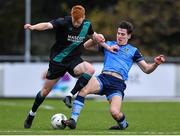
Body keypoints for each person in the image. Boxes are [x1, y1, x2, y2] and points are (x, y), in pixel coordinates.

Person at [23, 5, 116, 129]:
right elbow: (47, 25)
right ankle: (31, 114)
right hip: (58, 61)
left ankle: (69, 95)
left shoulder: (87, 25)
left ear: (83, 17)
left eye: (79, 21)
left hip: (74, 60)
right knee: (45, 91)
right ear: (71, 16)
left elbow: (94, 37)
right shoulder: (63, 22)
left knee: (90, 69)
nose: (77, 24)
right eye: (74, 21)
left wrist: (108, 47)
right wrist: (33, 27)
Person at [62, 21, 166, 130]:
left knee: (115, 112)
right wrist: (96, 38)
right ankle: (73, 120)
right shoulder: (109, 45)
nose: (119, 36)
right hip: (103, 78)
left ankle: (123, 124)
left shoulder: (133, 51)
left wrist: (156, 64)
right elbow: (86, 46)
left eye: (123, 34)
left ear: (129, 36)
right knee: (84, 89)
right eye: (118, 33)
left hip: (117, 84)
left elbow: (147, 69)